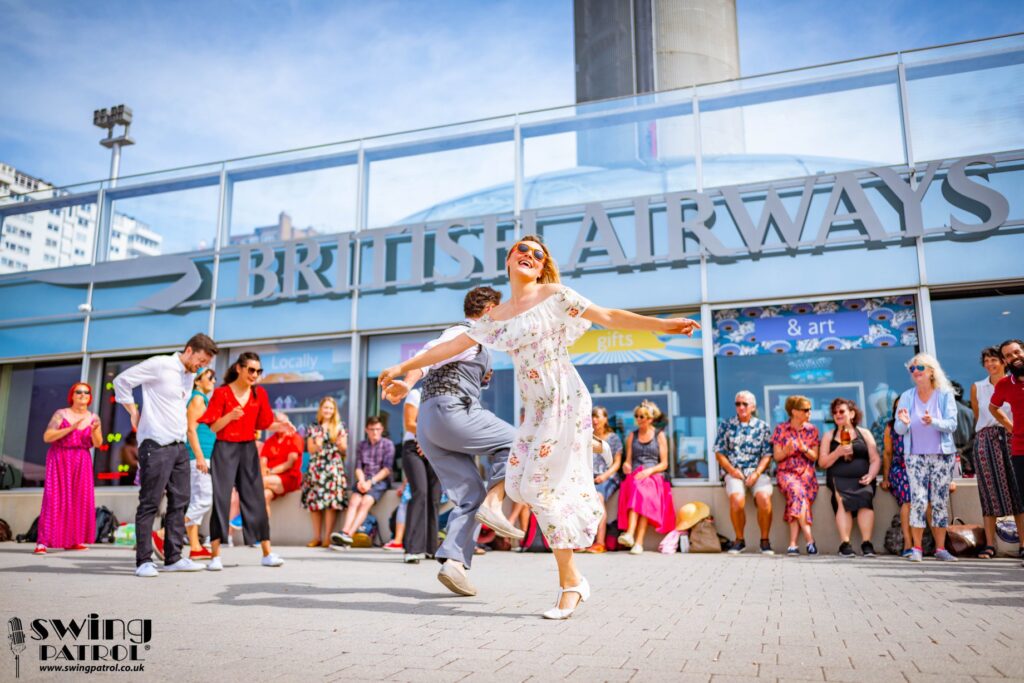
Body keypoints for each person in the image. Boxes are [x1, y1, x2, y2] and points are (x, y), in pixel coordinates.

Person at [378, 234, 699, 619]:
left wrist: (661, 325)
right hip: (535, 407)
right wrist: (402, 369)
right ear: (509, 259)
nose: (529, 255)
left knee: (538, 486)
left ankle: (562, 572)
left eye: (538, 254)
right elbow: (450, 345)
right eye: (522, 250)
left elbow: (609, 316)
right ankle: (566, 571)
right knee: (529, 484)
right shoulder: (497, 316)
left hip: (564, 397)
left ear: (543, 265)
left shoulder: (554, 295)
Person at [380, 286, 521, 596]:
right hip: (451, 412)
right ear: (488, 311)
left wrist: (409, 384)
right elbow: (430, 355)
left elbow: (430, 358)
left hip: (430, 426)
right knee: (517, 442)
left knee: (471, 494)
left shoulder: (472, 340)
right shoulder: (467, 332)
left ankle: (454, 564)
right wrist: (405, 376)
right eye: (499, 313)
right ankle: (495, 506)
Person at [114, 333, 218, 577]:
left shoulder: (189, 375)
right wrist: (132, 411)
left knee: (180, 501)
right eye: (200, 361)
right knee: (150, 502)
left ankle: (173, 557)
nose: (200, 367)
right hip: (156, 444)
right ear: (189, 350)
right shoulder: (160, 364)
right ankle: (143, 561)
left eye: (205, 365)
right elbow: (122, 380)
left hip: (179, 446)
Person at [199, 351, 285, 569]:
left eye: (258, 371)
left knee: (255, 499)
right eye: (251, 370)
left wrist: (284, 425)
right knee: (222, 500)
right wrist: (229, 417)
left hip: (248, 449)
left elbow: (264, 424)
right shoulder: (222, 394)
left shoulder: (259, 394)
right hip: (224, 449)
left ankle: (267, 553)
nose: (255, 374)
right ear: (239, 368)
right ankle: (215, 557)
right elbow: (213, 427)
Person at [894, 353, 960, 563]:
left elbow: (951, 425)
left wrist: (934, 421)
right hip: (914, 455)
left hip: (942, 455)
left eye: (919, 368)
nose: (915, 372)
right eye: (912, 369)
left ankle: (940, 548)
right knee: (918, 501)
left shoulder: (944, 394)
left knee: (939, 501)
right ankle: (917, 549)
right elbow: (899, 429)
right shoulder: (906, 396)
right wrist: (903, 422)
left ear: (931, 371)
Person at [34, 382, 102, 555]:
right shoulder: (61, 414)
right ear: (72, 395)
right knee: (54, 499)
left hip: (82, 460)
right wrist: (70, 429)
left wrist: (93, 431)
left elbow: (98, 443)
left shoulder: (94, 418)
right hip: (60, 458)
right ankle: (43, 542)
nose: (82, 395)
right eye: (78, 392)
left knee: (79, 499)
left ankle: (73, 540)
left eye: (86, 392)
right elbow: (47, 436)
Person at [971, 346, 1023, 559]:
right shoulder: (978, 387)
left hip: (1014, 438)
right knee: (988, 491)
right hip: (986, 439)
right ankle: (990, 545)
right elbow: (978, 415)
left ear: (1003, 362)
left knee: (1018, 492)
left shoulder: (1014, 382)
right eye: (986, 361)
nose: (990, 364)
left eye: (994, 360)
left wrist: (1011, 429)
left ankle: (1022, 544)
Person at [819, 398, 881, 557]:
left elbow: (875, 459)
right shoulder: (829, 435)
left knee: (866, 498)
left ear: (852, 414)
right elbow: (822, 463)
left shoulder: (864, 433)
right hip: (839, 478)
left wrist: (871, 475)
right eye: (835, 412)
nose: (837, 415)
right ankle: (845, 544)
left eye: (842, 411)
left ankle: (866, 543)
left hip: (863, 478)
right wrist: (837, 452)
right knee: (842, 500)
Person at [714, 390, 774, 555]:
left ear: (753, 407)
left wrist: (756, 473)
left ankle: (765, 541)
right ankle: (739, 540)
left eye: (744, 404)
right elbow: (719, 453)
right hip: (734, 472)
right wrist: (732, 471)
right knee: (737, 500)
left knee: (763, 499)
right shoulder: (726, 425)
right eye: (738, 404)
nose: (741, 407)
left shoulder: (763, 427)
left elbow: (768, 455)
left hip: (758, 472)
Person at [617, 400, 674, 556]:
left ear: (650, 419)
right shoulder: (632, 435)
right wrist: (626, 465)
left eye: (642, 416)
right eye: (637, 416)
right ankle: (638, 542)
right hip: (636, 474)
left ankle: (630, 534)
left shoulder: (659, 435)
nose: (639, 419)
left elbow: (664, 464)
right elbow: (628, 460)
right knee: (640, 490)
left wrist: (649, 472)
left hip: (654, 474)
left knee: (641, 488)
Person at [333, 416, 394, 546]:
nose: (375, 432)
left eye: (377, 429)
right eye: (372, 429)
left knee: (365, 502)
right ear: (366, 430)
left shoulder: (388, 444)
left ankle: (349, 535)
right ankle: (344, 531)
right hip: (363, 480)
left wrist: (370, 482)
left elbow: (387, 469)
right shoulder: (362, 445)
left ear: (382, 429)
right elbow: (358, 467)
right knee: (354, 501)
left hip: (379, 481)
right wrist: (361, 481)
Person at [990, 338, 1024, 564]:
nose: (1014, 357)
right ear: (1005, 361)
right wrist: (1012, 428)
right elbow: (993, 408)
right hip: (1020, 448)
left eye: (1017, 352)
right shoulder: (1003, 384)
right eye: (1009, 356)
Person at [772, 395, 820, 556]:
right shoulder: (780, 429)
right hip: (787, 473)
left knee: (795, 499)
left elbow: (815, 457)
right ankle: (809, 539)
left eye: (810, 409)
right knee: (796, 492)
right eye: (805, 410)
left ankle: (793, 545)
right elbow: (777, 457)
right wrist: (786, 450)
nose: (809, 412)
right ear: (794, 412)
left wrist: (803, 448)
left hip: (806, 474)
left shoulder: (812, 430)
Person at [399, 387, 442, 564]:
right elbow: (409, 423)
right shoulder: (416, 393)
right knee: (420, 493)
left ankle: (431, 548)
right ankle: (413, 549)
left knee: (434, 497)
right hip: (413, 448)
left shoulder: (444, 399)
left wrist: (430, 441)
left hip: (435, 448)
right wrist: (426, 437)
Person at [302, 397, 348, 548]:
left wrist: (341, 445)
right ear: (321, 409)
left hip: (333, 467)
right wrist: (317, 444)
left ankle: (327, 537)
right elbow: (310, 449)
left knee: (330, 503)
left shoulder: (340, 426)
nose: (328, 410)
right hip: (316, 467)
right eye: (325, 407)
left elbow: (344, 450)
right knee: (315, 503)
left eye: (331, 408)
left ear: (334, 411)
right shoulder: (313, 427)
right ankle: (317, 537)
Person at [183, 367, 216, 559]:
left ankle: (195, 547)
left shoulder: (202, 399)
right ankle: (165, 533)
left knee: (196, 502)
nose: (213, 380)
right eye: (209, 377)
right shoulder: (197, 399)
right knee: (204, 500)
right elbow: (191, 430)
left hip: (200, 456)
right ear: (197, 380)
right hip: (200, 457)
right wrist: (200, 457)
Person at [586, 406, 622, 553]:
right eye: (592, 416)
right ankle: (583, 541)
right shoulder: (587, 437)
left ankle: (600, 542)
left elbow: (617, 463)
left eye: (598, 416)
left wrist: (604, 476)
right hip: (590, 478)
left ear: (605, 419)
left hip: (608, 477)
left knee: (598, 499)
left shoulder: (613, 438)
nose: (594, 420)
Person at [881, 397, 913, 556]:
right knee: (908, 499)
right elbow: (887, 454)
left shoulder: (919, 423)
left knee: (928, 499)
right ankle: (908, 543)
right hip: (900, 469)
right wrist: (885, 478)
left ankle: (939, 545)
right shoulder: (890, 427)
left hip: (920, 467)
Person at [260, 412, 304, 515]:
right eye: (276, 422)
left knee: (256, 483)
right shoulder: (269, 441)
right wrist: (264, 472)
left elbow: (289, 464)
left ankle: (243, 513)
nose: (279, 425)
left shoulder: (295, 438)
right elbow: (263, 462)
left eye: (281, 422)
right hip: (269, 479)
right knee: (265, 496)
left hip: (289, 478)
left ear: (288, 423)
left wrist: (270, 472)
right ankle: (262, 530)